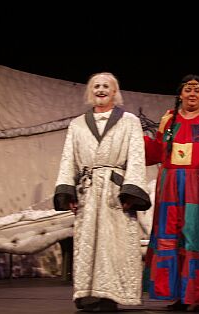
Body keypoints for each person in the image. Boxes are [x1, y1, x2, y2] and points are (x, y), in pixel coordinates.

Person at [53, 72, 151, 312]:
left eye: (106, 86)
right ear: (90, 92)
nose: (100, 89)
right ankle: (87, 294)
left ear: (115, 92)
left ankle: (110, 294)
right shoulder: (77, 124)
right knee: (87, 242)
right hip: (88, 189)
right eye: (96, 86)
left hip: (115, 191)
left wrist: (131, 191)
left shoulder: (129, 121)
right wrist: (68, 192)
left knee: (114, 241)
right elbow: (68, 159)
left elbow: (137, 156)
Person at [143, 74, 199, 312]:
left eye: (197, 90)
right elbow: (156, 152)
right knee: (171, 236)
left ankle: (196, 296)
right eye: (187, 90)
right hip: (171, 187)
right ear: (180, 94)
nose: (192, 94)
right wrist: (133, 138)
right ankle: (177, 295)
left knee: (196, 237)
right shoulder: (168, 120)